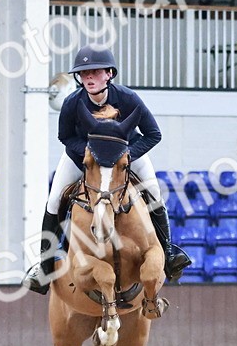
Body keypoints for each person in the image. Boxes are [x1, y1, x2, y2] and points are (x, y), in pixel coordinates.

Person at [24, 45, 191, 294]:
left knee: (155, 193)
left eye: (95, 71)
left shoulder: (127, 98)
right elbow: (65, 136)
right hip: (83, 158)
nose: (88, 77)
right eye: (84, 73)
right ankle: (45, 267)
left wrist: (124, 157)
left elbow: (154, 134)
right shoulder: (72, 103)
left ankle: (167, 252)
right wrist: (90, 156)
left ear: (109, 74)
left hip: (126, 155)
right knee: (54, 200)